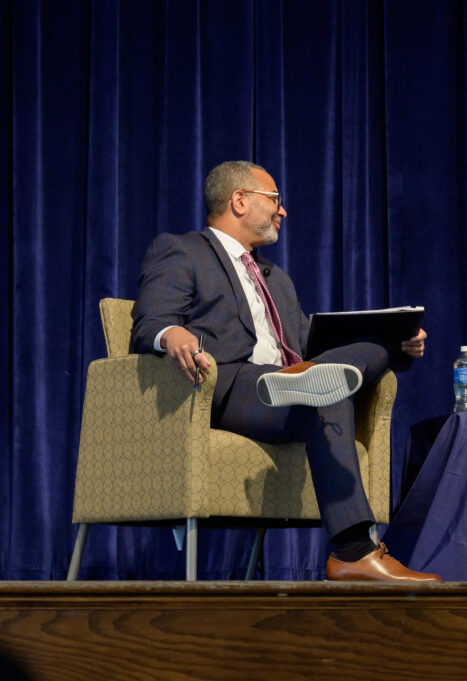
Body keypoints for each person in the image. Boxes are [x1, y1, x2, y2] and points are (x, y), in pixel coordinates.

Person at [131, 160, 440, 583]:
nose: (283, 210)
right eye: (274, 199)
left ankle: (351, 555)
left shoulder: (276, 277)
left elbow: (307, 342)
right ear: (240, 201)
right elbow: (149, 322)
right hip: (231, 386)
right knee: (323, 386)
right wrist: (173, 335)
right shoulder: (184, 251)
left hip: (288, 385)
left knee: (355, 361)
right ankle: (357, 549)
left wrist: (394, 341)